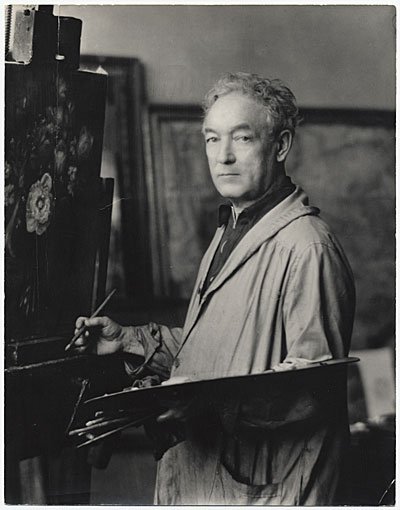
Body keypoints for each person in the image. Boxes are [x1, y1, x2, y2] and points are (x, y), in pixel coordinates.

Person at [74, 72, 355, 505]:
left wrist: (207, 404)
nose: (223, 156)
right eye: (211, 139)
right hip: (208, 484)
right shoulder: (231, 231)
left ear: (281, 146)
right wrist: (128, 340)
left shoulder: (307, 247)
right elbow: (217, 353)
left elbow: (312, 390)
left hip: (269, 494)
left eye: (242, 138)